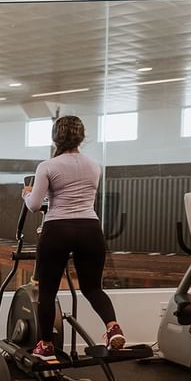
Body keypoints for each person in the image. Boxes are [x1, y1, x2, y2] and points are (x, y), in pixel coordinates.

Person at [22, 115, 126, 356]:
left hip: (58, 229)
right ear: (81, 138)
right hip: (90, 229)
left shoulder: (47, 166)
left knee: (47, 292)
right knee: (93, 289)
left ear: (54, 138)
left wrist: (26, 194)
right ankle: (113, 327)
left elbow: (35, 205)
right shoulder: (94, 166)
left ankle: (46, 345)